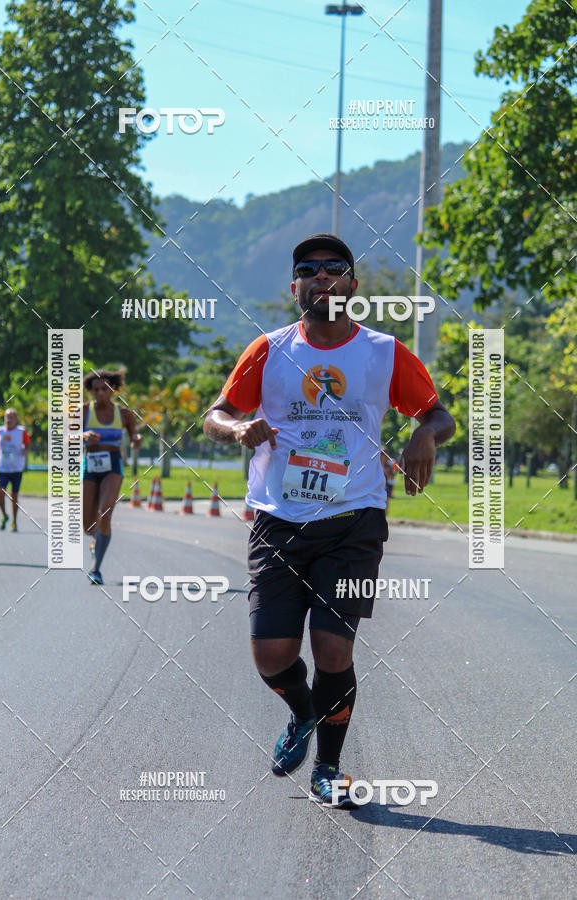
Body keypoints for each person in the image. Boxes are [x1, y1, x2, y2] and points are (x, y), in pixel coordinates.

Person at [203, 233, 455, 808]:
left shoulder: (384, 352)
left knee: (334, 651)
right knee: (271, 655)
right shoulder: (268, 350)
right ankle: (302, 712)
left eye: (334, 267)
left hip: (354, 521)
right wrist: (238, 428)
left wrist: (424, 434)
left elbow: (439, 415)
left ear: (351, 285)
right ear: (293, 287)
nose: (321, 276)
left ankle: (329, 768)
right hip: (277, 521)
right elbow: (216, 414)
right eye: (308, 269)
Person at [82, 370, 141, 585]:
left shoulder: (124, 414)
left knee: (104, 513)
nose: (100, 393)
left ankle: (96, 568)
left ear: (113, 390)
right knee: (88, 525)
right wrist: (82, 436)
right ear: (91, 391)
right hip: (90, 464)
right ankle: (95, 540)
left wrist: (136, 440)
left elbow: (134, 436)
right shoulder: (84, 411)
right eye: (96, 389)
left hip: (113, 465)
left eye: (105, 389)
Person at [0, 408, 31, 532]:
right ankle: (4, 515)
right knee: (0, 494)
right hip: (3, 468)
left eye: (12, 417)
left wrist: (25, 452)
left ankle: (14, 521)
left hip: (16, 469)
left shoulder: (21, 431)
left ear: (16, 419)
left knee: (14, 496)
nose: (9, 419)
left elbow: (27, 444)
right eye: (7, 417)